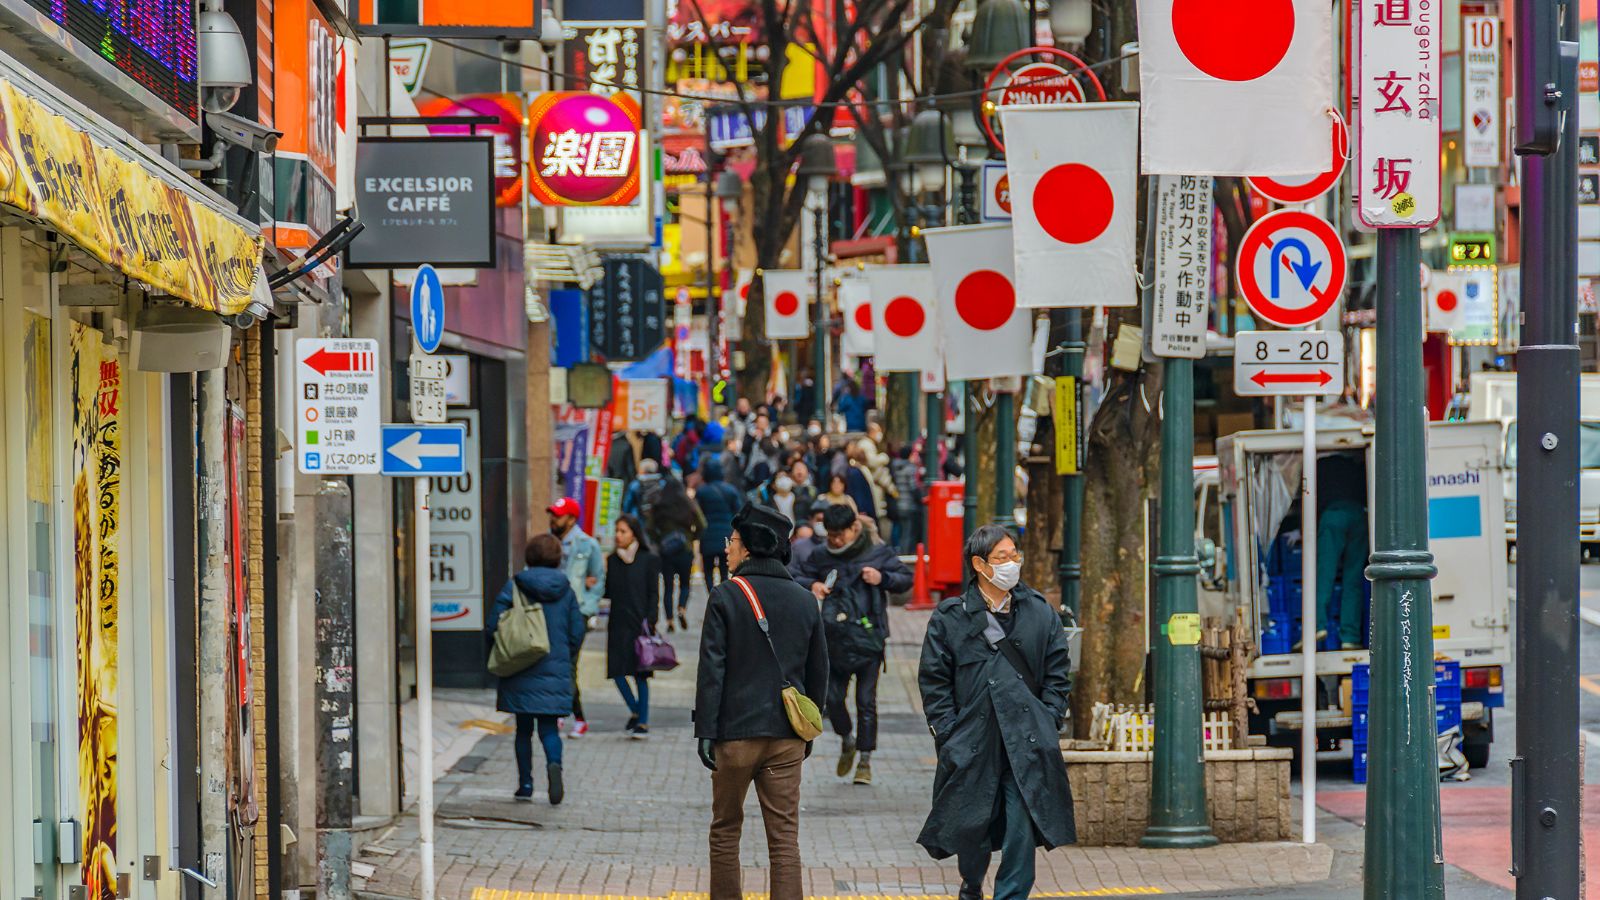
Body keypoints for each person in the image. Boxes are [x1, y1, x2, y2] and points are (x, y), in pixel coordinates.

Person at [917, 525, 1076, 899]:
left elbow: (1058, 673)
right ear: (979, 564)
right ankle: (972, 883)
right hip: (973, 742)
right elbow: (934, 681)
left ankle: (1010, 895)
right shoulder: (949, 617)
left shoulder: (1039, 611)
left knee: (1021, 828)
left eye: (1015, 555)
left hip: (1026, 740)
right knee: (972, 826)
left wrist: (1049, 717)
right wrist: (948, 732)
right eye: (1002, 558)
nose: (1012, 564)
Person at [695, 504, 829, 900]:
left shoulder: (724, 597)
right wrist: (808, 729)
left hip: (734, 736)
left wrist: (706, 730)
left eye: (732, 541)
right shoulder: (805, 600)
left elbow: (711, 672)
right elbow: (819, 671)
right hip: (787, 736)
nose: (727, 549)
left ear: (750, 548)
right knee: (784, 837)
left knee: (725, 830)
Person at [790, 504, 912, 786]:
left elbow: (906, 579)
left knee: (866, 701)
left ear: (854, 529)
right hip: (834, 638)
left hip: (869, 639)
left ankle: (865, 760)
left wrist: (882, 579)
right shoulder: (821, 555)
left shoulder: (877, 552)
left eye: (839, 535)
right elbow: (795, 574)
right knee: (832, 699)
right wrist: (813, 585)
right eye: (830, 535)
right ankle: (847, 739)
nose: (834, 540)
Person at [486, 533, 586, 805]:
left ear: (529, 556)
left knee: (523, 730)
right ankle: (554, 765)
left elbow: (492, 624)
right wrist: (566, 655)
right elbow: (577, 630)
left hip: (520, 666)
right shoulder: (566, 590)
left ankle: (525, 785)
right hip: (554, 670)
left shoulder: (515, 586)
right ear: (556, 558)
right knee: (549, 729)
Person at [548, 497, 605, 737]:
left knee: (568, 665)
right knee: (556, 664)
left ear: (571, 519)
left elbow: (598, 580)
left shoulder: (587, 545)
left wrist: (586, 609)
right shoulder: (548, 543)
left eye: (558, 515)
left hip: (575, 614)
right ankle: (564, 714)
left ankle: (575, 716)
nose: (553, 519)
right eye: (552, 514)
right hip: (550, 612)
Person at [605, 515, 662, 739]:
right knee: (617, 672)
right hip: (618, 623)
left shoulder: (648, 559)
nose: (618, 536)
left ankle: (643, 722)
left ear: (634, 534)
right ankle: (637, 711)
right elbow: (609, 592)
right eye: (617, 531)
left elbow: (653, 593)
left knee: (641, 675)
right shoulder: (612, 560)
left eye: (623, 531)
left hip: (641, 624)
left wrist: (651, 620)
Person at [1315, 453, 1371, 650]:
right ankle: (1350, 637)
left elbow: (1308, 499)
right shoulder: (1355, 464)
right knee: (1354, 578)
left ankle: (1318, 625)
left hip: (1332, 515)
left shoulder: (1317, 465)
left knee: (1324, 573)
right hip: (1359, 515)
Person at [645, 475, 705, 632]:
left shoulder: (659, 505)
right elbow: (702, 524)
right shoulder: (688, 504)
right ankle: (682, 609)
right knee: (685, 584)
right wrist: (692, 538)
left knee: (668, 586)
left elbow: (649, 528)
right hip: (685, 549)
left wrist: (659, 540)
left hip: (666, 551)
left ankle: (670, 620)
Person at [695, 457, 743, 590]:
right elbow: (738, 512)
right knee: (724, 569)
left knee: (708, 570)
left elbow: (697, 514)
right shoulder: (730, 490)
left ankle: (711, 593)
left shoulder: (701, 491)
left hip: (707, 535)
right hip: (726, 535)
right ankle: (723, 594)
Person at [889, 444, 923, 554]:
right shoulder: (910, 469)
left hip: (900, 505)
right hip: (909, 505)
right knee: (909, 534)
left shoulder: (896, 467)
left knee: (903, 532)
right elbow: (913, 488)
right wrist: (920, 498)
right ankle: (905, 555)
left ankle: (901, 552)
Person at [789, 500, 831, 569]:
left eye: (825, 520)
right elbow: (792, 572)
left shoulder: (838, 545)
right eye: (819, 520)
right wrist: (810, 580)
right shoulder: (798, 547)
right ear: (811, 520)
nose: (822, 523)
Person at [842, 447, 878, 520]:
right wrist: (861, 509)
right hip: (863, 509)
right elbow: (859, 491)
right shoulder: (856, 471)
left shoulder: (853, 469)